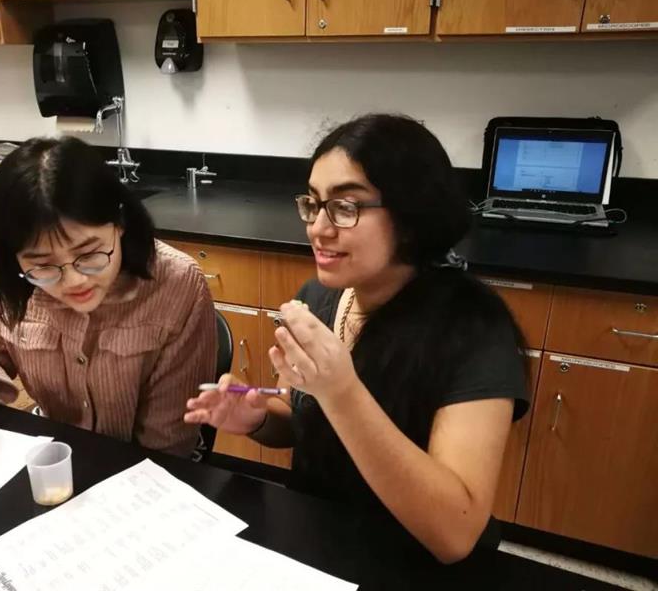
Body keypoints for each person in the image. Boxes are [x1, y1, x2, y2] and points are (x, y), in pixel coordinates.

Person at [185, 115, 529, 562]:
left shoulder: (475, 332)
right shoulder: (319, 299)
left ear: (411, 215)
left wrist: (342, 392)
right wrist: (257, 417)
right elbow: (297, 412)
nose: (318, 228)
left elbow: (455, 535)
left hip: (414, 566)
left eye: (345, 207)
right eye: (313, 203)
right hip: (320, 543)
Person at [0, 137, 215, 457]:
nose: (74, 281)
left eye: (89, 254)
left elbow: (167, 441)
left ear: (120, 222)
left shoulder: (176, 284)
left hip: (144, 467)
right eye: (43, 265)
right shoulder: (9, 281)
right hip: (55, 449)